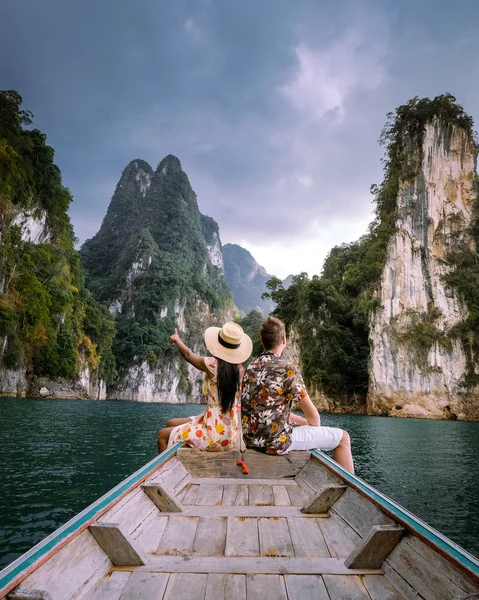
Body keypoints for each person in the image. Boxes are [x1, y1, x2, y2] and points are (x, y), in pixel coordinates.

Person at [241, 316, 354, 473]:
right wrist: (313, 431)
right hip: (275, 443)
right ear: (284, 340)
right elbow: (313, 416)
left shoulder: (251, 368)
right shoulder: (287, 369)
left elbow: (268, 410)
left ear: (261, 340)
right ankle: (349, 492)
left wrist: (302, 422)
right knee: (343, 438)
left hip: (251, 440)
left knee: (305, 427)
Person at [157, 322, 252, 453]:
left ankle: (165, 472)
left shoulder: (213, 365)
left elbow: (188, 355)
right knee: (171, 424)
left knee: (162, 435)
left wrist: (177, 339)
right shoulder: (241, 371)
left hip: (212, 432)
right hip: (229, 434)